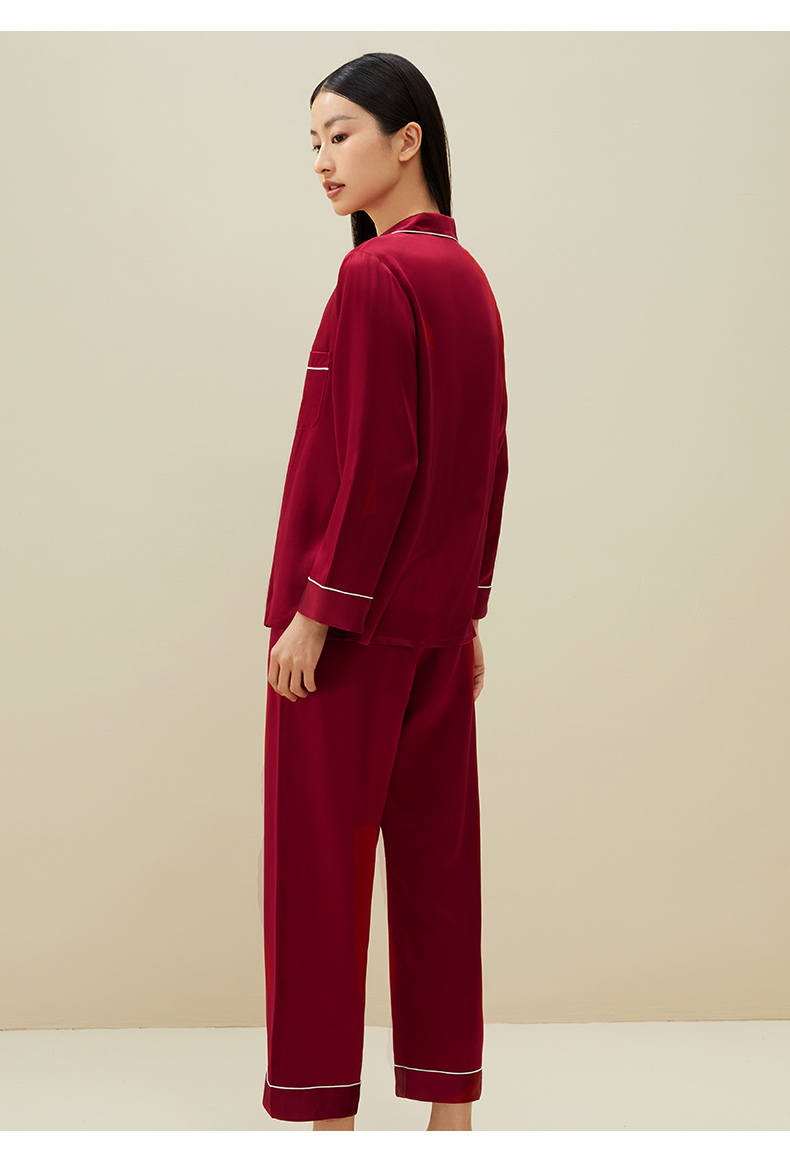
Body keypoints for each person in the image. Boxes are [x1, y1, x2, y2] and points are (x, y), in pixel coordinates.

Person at [260, 51, 509, 1131]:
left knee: (317, 875)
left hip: (349, 631)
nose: (322, 160)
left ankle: (326, 1119)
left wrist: (317, 609)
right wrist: (468, 611)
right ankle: (450, 1115)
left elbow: (378, 463)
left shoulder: (375, 275)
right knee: (439, 868)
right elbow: (487, 458)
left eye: (341, 134)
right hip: (433, 627)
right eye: (313, 141)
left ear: (408, 140)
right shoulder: (468, 276)